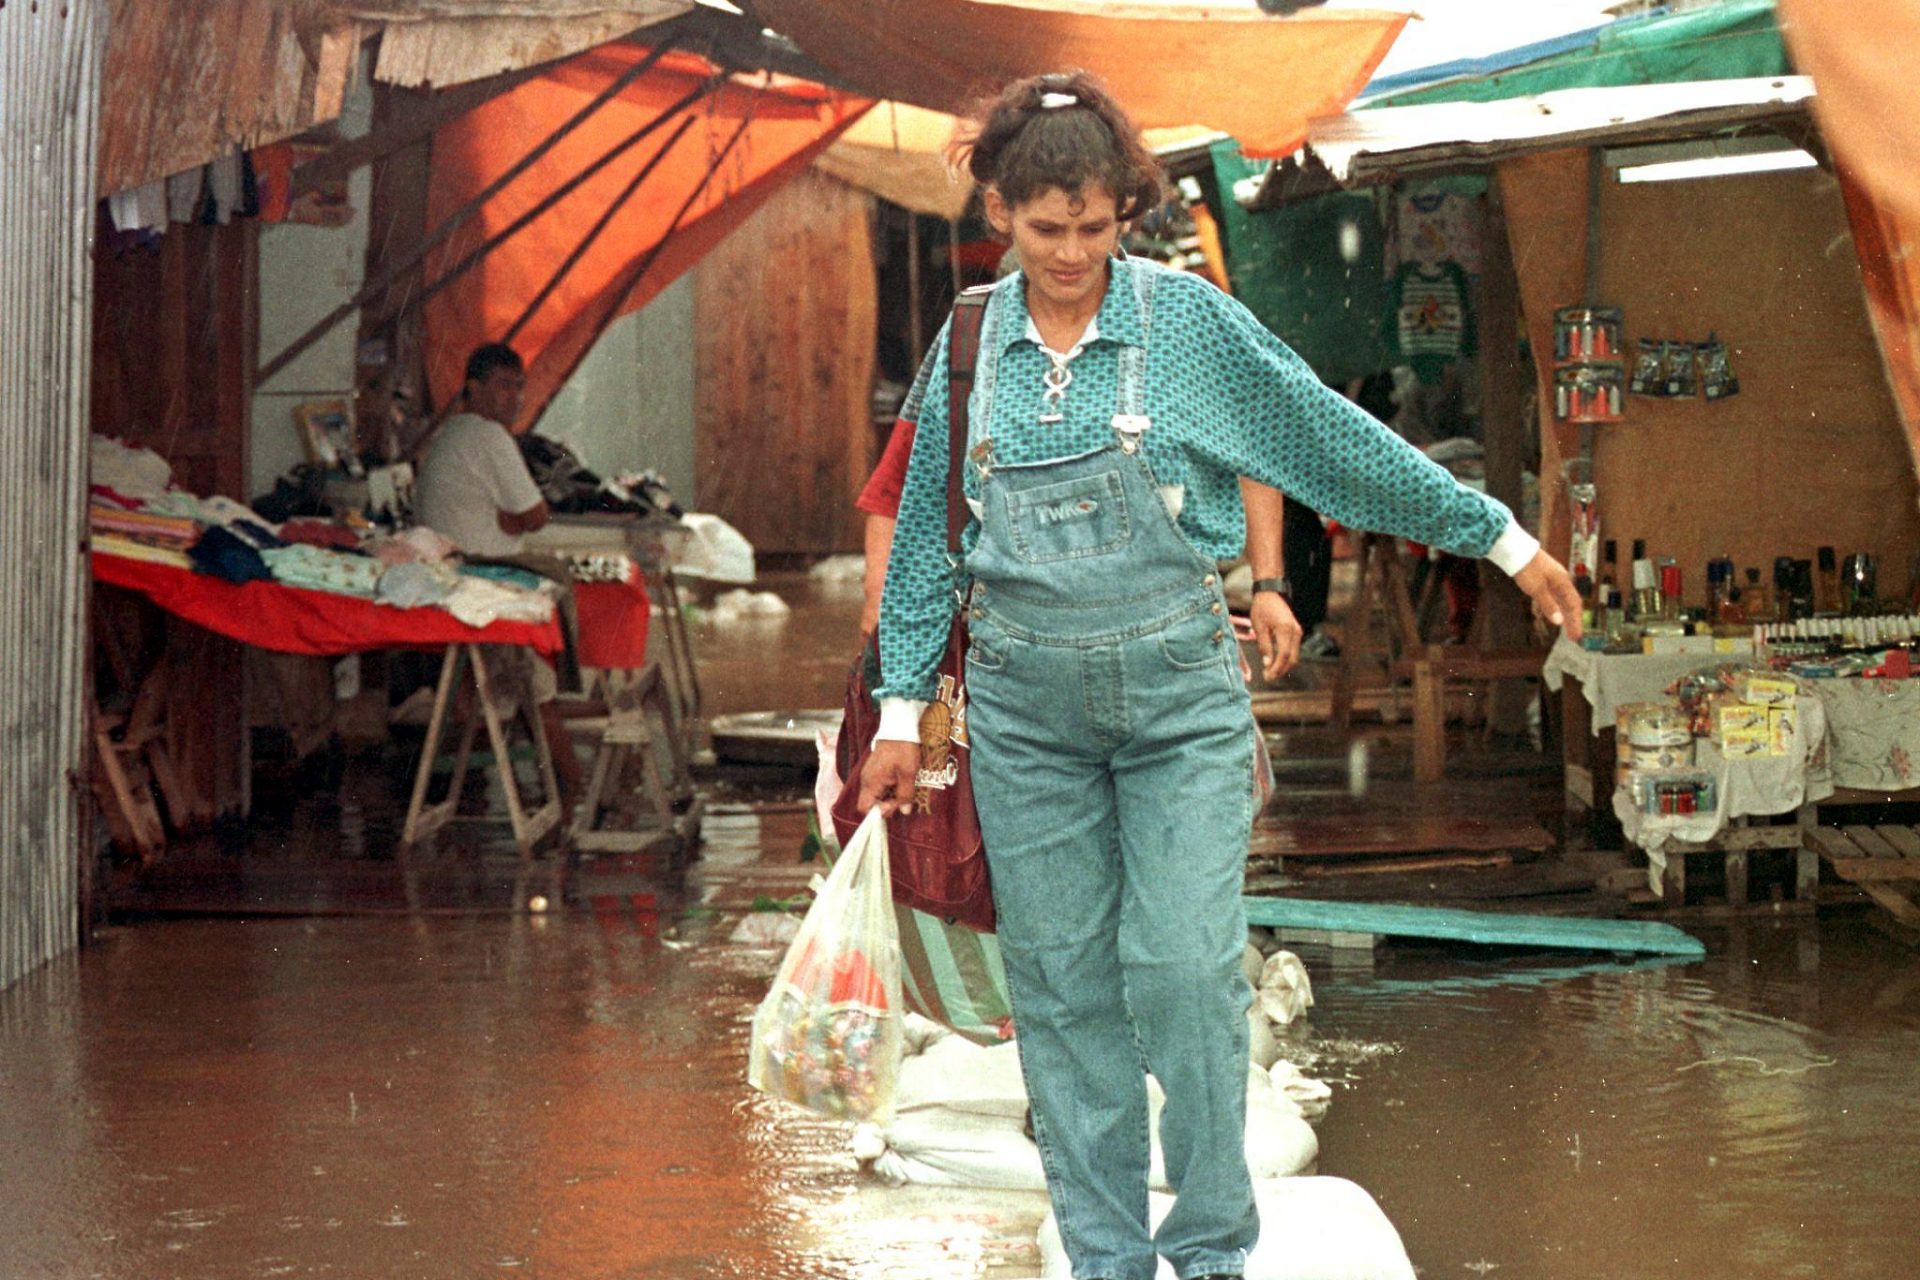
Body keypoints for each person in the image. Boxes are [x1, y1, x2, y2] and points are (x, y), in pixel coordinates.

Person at [856, 71, 1580, 1280]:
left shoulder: (1185, 322)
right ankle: (1103, 1256)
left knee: (1187, 970)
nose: (1075, 252)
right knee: (1061, 985)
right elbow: (932, 538)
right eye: (1047, 230)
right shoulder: (969, 340)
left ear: (1125, 210)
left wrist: (1498, 535)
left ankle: (1208, 1250)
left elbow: (1324, 437)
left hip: (1179, 701)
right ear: (1002, 210)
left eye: (1096, 227)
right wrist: (897, 711)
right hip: (1026, 716)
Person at [415, 343, 550, 557]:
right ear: (474, 388)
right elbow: (536, 518)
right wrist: (510, 519)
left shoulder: (449, 431)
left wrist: (508, 518)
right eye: (504, 386)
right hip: (483, 571)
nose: (515, 397)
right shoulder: (488, 435)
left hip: (450, 565)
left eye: (519, 386)